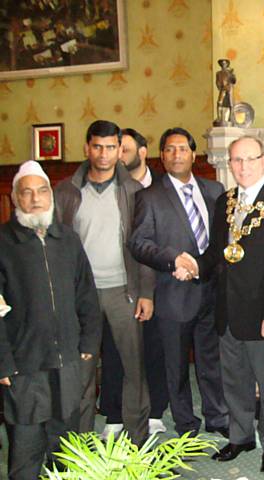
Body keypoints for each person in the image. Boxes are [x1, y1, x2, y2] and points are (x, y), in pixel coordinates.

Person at [177, 136, 264, 473]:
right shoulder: (225, 201)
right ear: (229, 164)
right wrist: (194, 266)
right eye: (236, 160)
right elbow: (217, 253)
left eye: (249, 159)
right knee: (234, 380)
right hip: (227, 309)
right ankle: (241, 435)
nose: (243, 167)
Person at [0, 161, 101, 479]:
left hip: (68, 361)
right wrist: (3, 362)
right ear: (15, 198)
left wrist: (88, 343)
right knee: (26, 452)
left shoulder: (68, 240)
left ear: (51, 196)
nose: (34, 199)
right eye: (26, 192)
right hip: (24, 365)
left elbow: (87, 295)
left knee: (67, 448)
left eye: (41, 191)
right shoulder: (3, 243)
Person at [54, 120, 152, 446]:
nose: (105, 154)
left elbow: (145, 246)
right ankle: (79, 443)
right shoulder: (66, 191)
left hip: (124, 289)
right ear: (87, 148)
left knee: (133, 367)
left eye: (112, 147)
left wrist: (146, 293)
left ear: (119, 149)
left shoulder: (134, 191)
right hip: (80, 295)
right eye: (98, 146)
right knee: (81, 370)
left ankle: (136, 439)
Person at [128, 127, 229, 437]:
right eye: (169, 149)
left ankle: (218, 417)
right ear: (162, 156)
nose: (176, 155)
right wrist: (174, 259)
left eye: (182, 148)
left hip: (212, 290)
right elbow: (139, 243)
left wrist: (201, 267)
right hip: (173, 294)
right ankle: (186, 423)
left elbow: (222, 241)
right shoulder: (149, 196)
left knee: (211, 361)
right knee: (176, 367)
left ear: (193, 154)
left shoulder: (215, 191)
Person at [100, 128, 169, 438]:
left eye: (124, 149)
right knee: (115, 350)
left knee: (154, 349)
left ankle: (156, 411)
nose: (118, 155)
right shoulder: (111, 187)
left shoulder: (159, 187)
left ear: (143, 152)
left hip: (161, 284)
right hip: (121, 284)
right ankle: (113, 414)